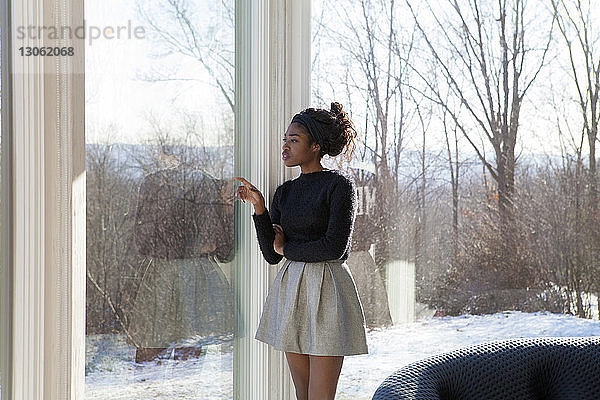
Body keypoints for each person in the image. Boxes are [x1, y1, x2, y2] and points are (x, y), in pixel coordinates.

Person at [235, 102, 368, 400]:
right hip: (291, 290)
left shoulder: (340, 186)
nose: (285, 146)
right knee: (303, 396)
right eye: (285, 139)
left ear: (315, 146)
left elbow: (335, 247)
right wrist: (259, 207)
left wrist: (287, 247)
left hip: (328, 290)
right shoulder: (285, 192)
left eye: (294, 140)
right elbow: (273, 254)